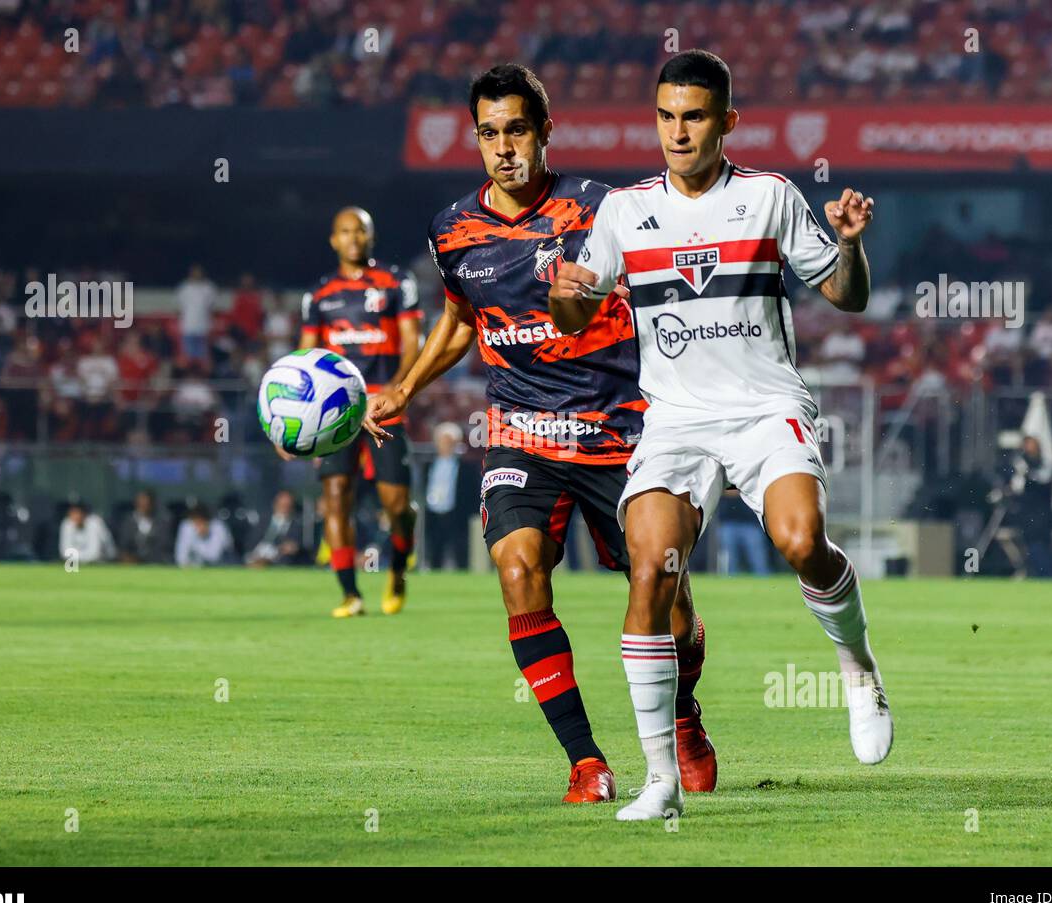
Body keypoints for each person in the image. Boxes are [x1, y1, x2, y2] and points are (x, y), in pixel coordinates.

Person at [549, 50, 892, 820]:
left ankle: (858, 668)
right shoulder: (624, 212)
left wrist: (851, 244)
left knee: (803, 541)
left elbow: (848, 296)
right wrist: (566, 295)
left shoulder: (770, 197)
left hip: (765, 407)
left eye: (695, 116)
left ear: (727, 122)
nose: (678, 131)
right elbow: (578, 312)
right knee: (649, 572)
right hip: (675, 421)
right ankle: (661, 783)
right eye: (667, 116)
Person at [364, 64, 712, 804]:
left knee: (669, 605)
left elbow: (669, 297)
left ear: (546, 131)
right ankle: (586, 762)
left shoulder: (603, 210)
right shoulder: (452, 230)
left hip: (622, 432)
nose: (504, 148)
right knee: (518, 572)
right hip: (520, 431)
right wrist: (403, 387)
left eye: (517, 130)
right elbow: (461, 318)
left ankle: (683, 718)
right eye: (489, 133)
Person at [291, 207, 422, 616]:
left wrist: (395, 391)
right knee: (335, 498)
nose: (353, 238)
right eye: (345, 232)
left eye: (360, 231)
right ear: (333, 239)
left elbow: (412, 344)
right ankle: (350, 594)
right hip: (337, 412)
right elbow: (306, 356)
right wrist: (291, 421)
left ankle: (397, 569)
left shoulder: (397, 282)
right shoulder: (318, 295)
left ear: (371, 236)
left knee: (396, 504)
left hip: (383, 407)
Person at [421, 422, 478, 570]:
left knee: (460, 552)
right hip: (432, 513)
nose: (445, 445)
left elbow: (472, 491)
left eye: (449, 441)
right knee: (434, 551)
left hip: (456, 513)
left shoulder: (467, 467)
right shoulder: (426, 465)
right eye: (442, 441)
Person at [1007, 436, 1052, 577]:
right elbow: (1016, 488)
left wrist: (1027, 473)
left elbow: (1044, 479)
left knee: (1041, 546)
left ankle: (1047, 576)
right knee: (1031, 546)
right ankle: (1038, 574)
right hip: (1027, 515)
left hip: (1042, 515)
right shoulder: (1020, 466)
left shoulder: (1045, 463)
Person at [246, 490, 306, 567]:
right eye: (282, 505)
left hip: (281, 559)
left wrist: (288, 547)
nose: (284, 509)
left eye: (287, 506)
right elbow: (250, 541)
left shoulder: (297, 526)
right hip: (257, 555)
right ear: (275, 504)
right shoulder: (262, 522)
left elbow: (297, 546)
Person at [176, 264, 217, 364]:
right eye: (194, 272)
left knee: (202, 358)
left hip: (203, 327)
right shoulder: (184, 288)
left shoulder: (208, 288)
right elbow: (179, 307)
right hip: (188, 327)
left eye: (199, 272)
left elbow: (212, 307)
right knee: (189, 357)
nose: (197, 274)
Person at [117, 490, 170, 564]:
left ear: (152, 504)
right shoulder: (128, 523)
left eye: (146, 504)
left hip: (155, 564)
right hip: (132, 564)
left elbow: (164, 547)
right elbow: (123, 545)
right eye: (141, 503)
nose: (144, 506)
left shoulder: (162, 523)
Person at [174, 503, 235, 567]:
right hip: (195, 569)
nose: (198, 527)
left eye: (201, 522)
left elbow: (214, 556)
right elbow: (180, 557)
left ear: (207, 521)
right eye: (195, 523)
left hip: (221, 566)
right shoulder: (187, 526)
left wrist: (195, 545)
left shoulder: (218, 527)